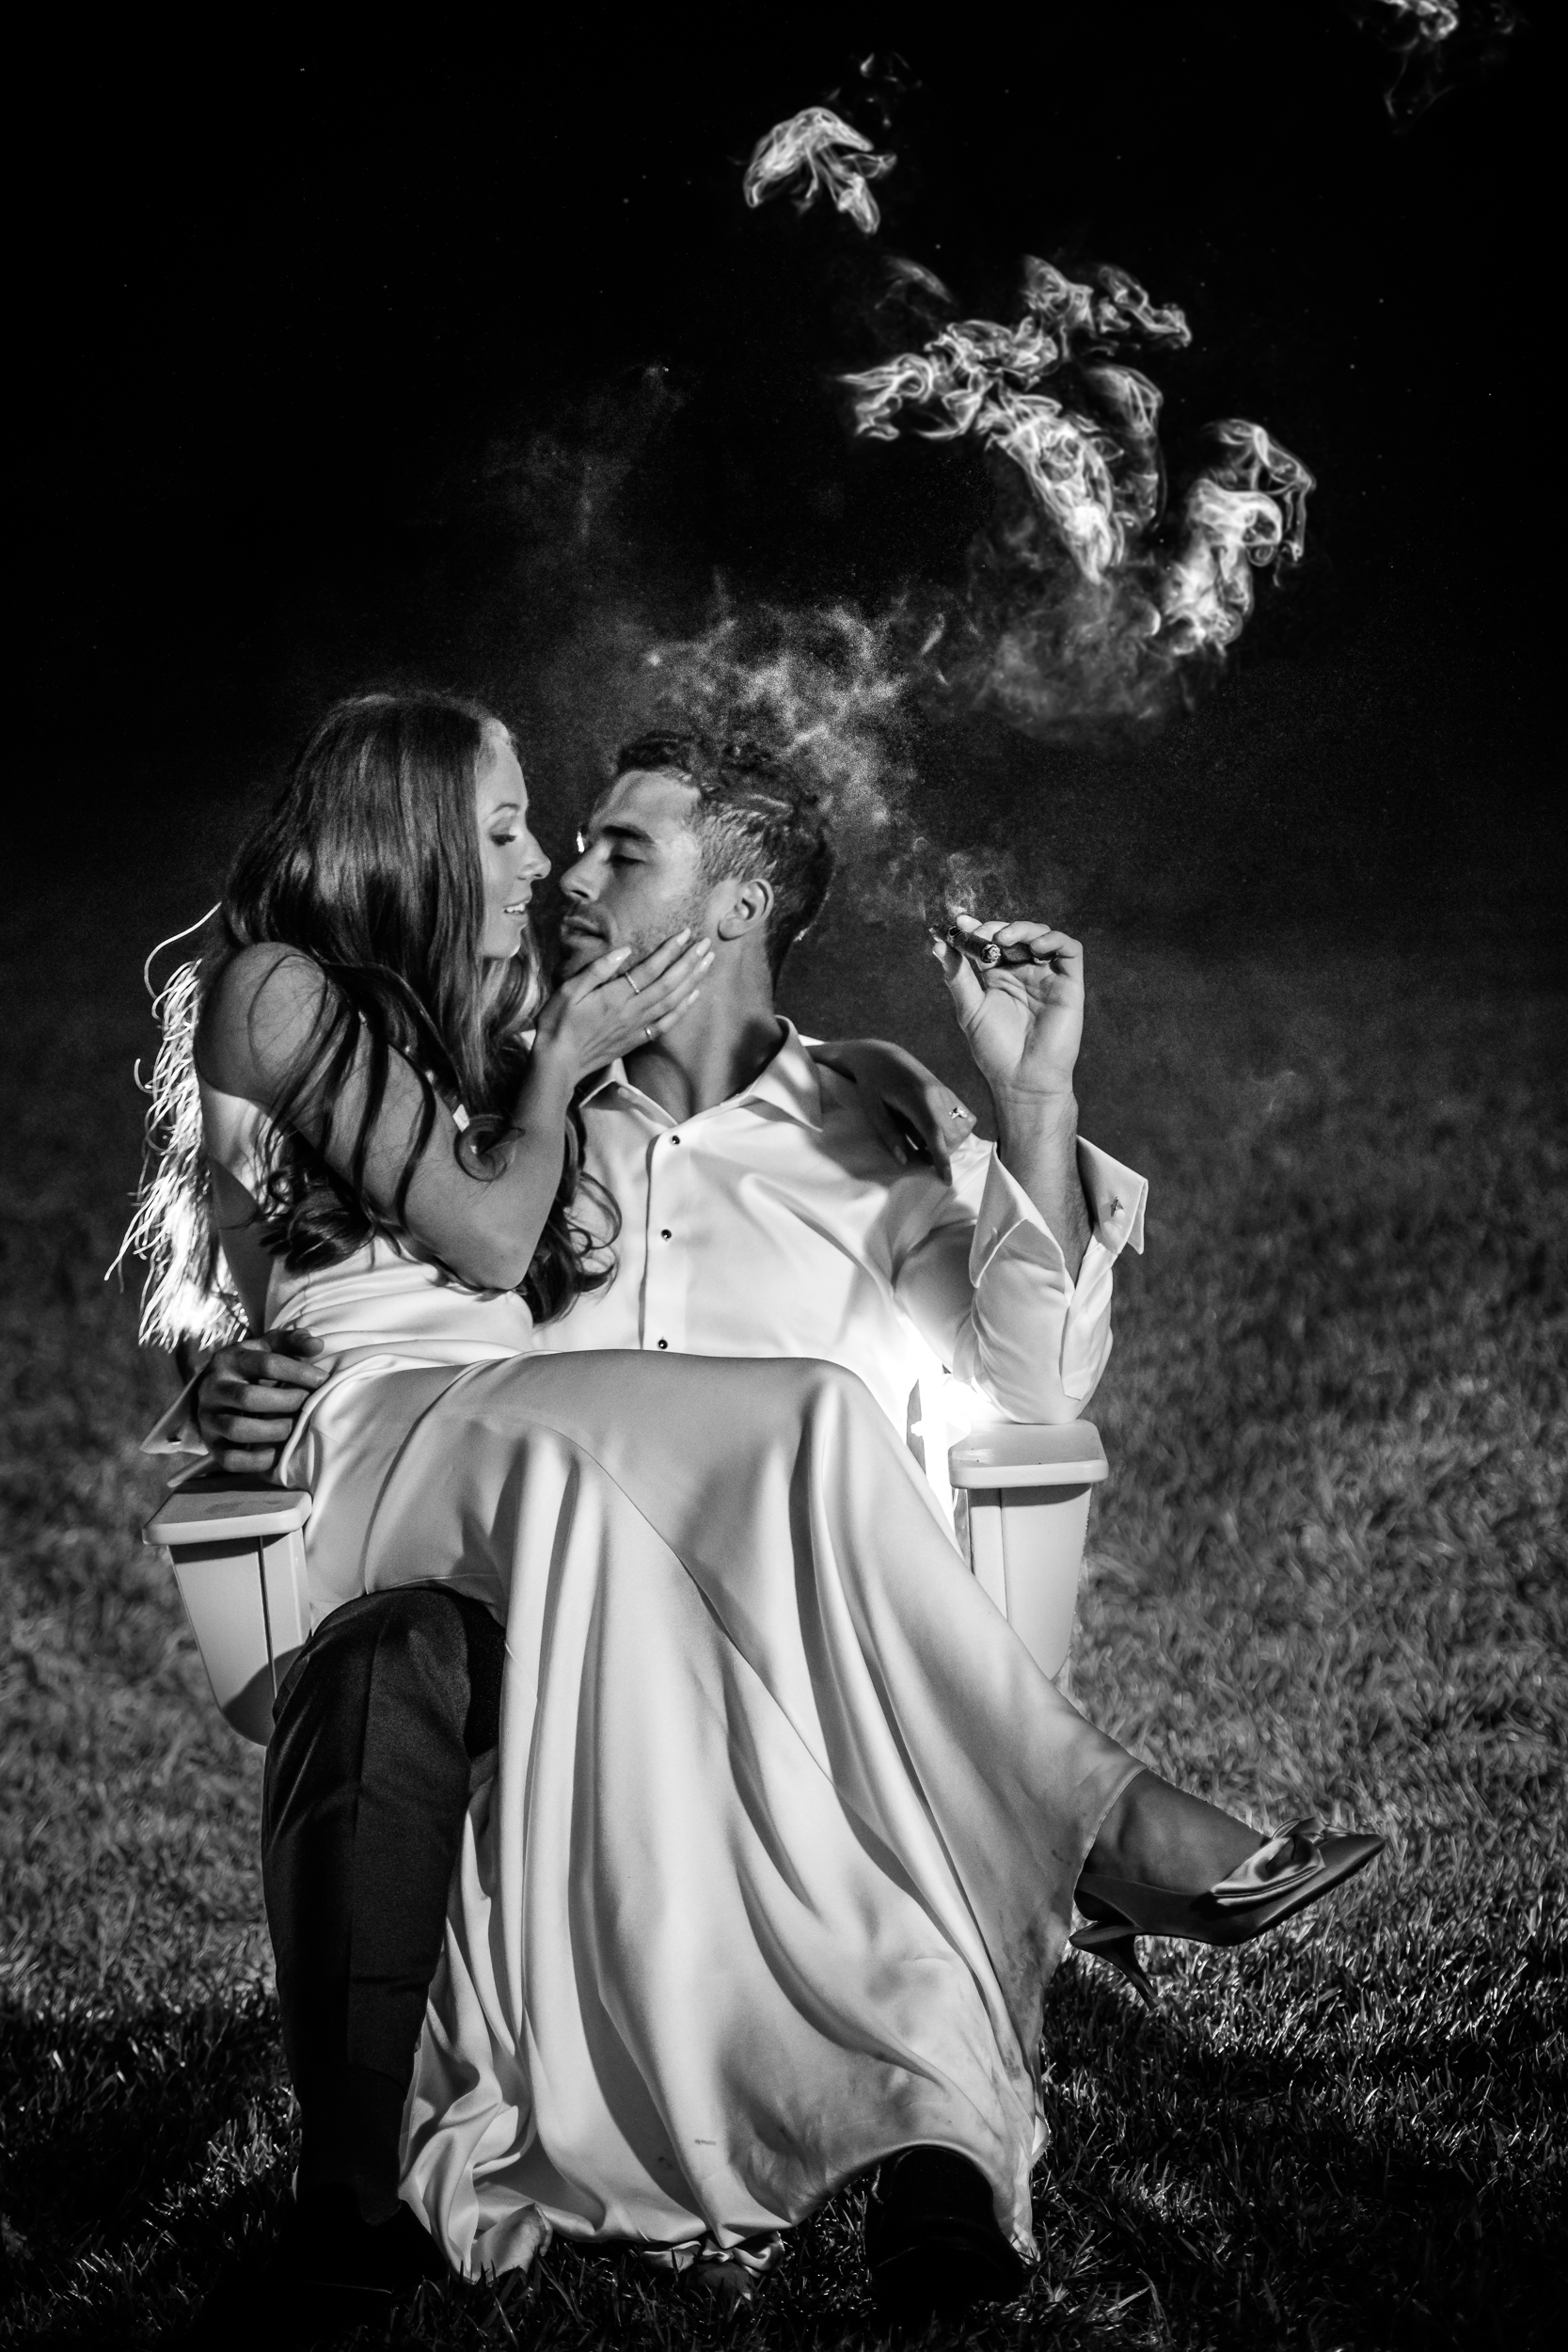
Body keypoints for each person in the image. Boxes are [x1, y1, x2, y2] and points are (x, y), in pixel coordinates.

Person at [149, 690, 1380, 2335]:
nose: (562, 873)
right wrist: (236, 1369)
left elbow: (1036, 1380)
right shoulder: (516, 1091)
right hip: (534, 1621)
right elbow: (321, 1230)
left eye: (613, 847)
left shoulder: (872, 1119)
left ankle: (932, 2154)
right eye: (536, 834)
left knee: (806, 1452)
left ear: (734, 907)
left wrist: (1032, 1109)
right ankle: (1088, 1825)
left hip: (792, 1663)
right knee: (789, 1421)